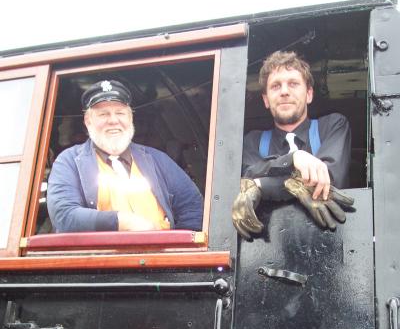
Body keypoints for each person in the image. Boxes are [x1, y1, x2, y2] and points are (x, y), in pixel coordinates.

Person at [47, 80, 203, 233]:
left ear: (130, 118)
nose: (113, 121)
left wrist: (179, 245)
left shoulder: (158, 159)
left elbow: (193, 206)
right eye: (103, 114)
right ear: (88, 121)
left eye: (120, 113)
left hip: (163, 250)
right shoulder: (69, 161)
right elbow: (64, 216)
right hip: (103, 251)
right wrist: (123, 221)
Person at [232, 51, 354, 238]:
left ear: (309, 94)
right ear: (266, 100)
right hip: (269, 241)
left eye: (293, 84)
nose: (284, 91)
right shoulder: (253, 142)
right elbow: (247, 176)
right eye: (275, 86)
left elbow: (328, 179)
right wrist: (293, 159)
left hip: (331, 238)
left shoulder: (333, 126)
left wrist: (261, 185)